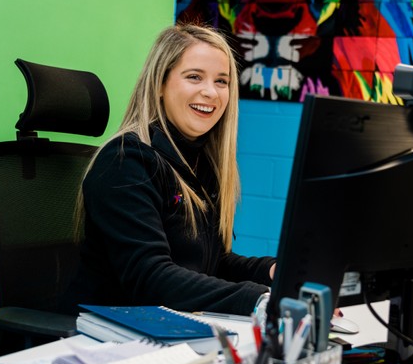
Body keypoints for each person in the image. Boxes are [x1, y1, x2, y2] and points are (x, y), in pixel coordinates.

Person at [64, 24, 275, 316]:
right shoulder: (126, 161)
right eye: (194, 77)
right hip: (98, 339)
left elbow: (212, 265)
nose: (210, 92)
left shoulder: (201, 164)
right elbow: (150, 277)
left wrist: (274, 272)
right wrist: (258, 301)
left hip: (162, 329)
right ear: (160, 85)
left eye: (222, 81)